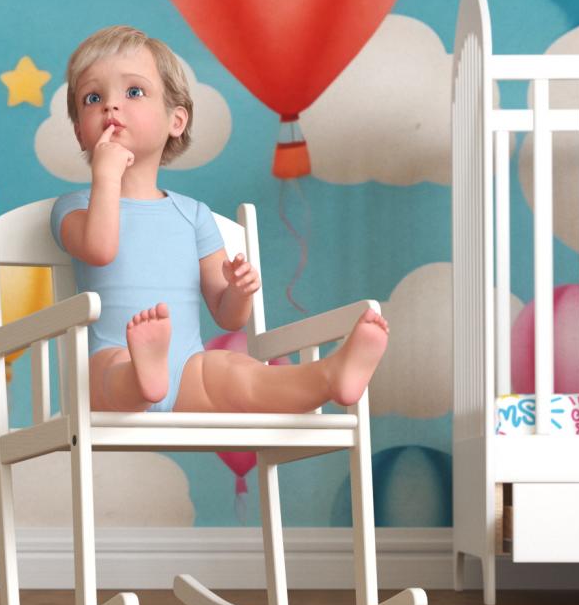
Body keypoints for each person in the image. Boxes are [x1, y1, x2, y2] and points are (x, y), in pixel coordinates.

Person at [50, 25, 389, 414]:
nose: (111, 107)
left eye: (133, 92)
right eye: (93, 98)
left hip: (186, 373)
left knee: (235, 370)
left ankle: (329, 376)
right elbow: (100, 248)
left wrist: (239, 291)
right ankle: (143, 374)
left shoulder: (193, 216)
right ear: (80, 133)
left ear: (175, 121)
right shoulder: (74, 208)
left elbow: (228, 319)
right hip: (109, 370)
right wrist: (106, 175)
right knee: (115, 369)